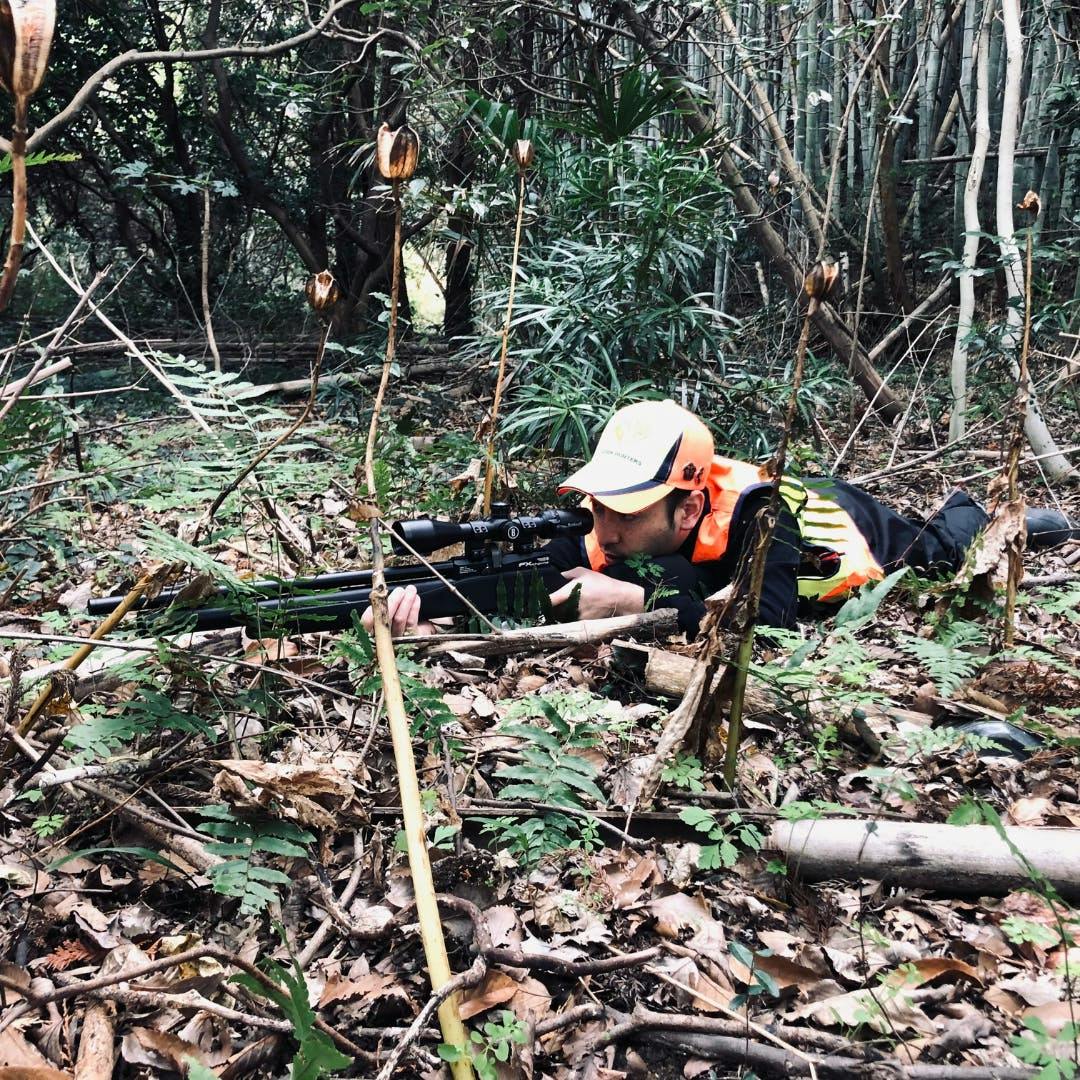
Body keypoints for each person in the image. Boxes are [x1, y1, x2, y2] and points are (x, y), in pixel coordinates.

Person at [367, 399, 1079, 637]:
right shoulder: (608, 522)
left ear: (688, 504)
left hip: (862, 530)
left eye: (624, 510)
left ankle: (1039, 522)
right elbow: (530, 591)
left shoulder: (763, 515)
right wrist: (430, 619)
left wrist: (640, 600)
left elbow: (767, 621)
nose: (603, 529)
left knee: (951, 546)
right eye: (598, 504)